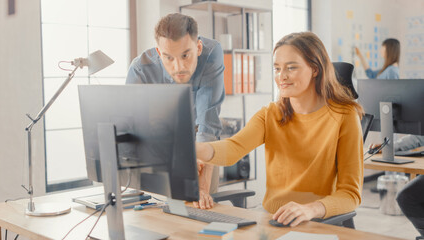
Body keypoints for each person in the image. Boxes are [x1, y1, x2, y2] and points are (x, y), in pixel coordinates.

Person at [196, 32, 364, 227]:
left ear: (315, 69)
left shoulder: (344, 115)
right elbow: (233, 149)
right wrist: (192, 149)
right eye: (277, 68)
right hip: (272, 219)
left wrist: (310, 209)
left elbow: (350, 194)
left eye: (291, 68)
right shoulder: (271, 114)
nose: (281, 77)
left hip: (317, 220)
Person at [126, 13, 224, 209]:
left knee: (200, 213)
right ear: (158, 52)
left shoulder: (211, 53)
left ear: (198, 47)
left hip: (200, 146)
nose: (178, 66)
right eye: (168, 57)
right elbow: (133, 132)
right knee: (156, 219)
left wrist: (201, 188)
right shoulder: (140, 69)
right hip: (158, 148)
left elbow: (208, 125)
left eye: (185, 55)